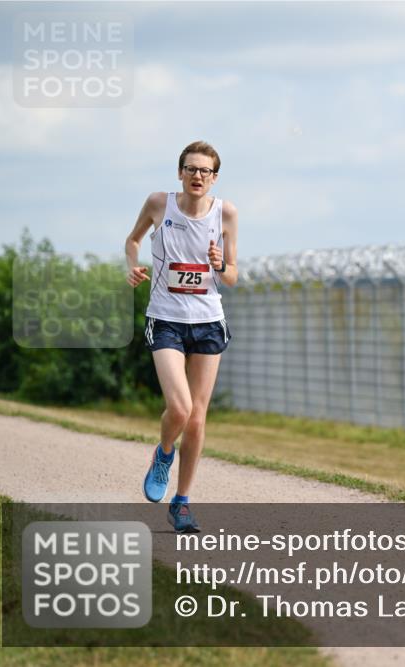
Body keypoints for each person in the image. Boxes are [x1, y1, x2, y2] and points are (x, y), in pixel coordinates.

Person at [124, 140, 239, 533]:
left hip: (208, 321)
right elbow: (133, 240)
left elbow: (232, 275)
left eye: (205, 171)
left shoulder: (226, 213)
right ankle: (163, 453)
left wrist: (220, 265)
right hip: (166, 319)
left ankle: (182, 502)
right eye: (191, 168)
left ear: (214, 178)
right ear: (180, 173)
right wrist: (132, 266)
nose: (197, 176)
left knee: (198, 417)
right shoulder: (160, 204)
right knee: (179, 408)